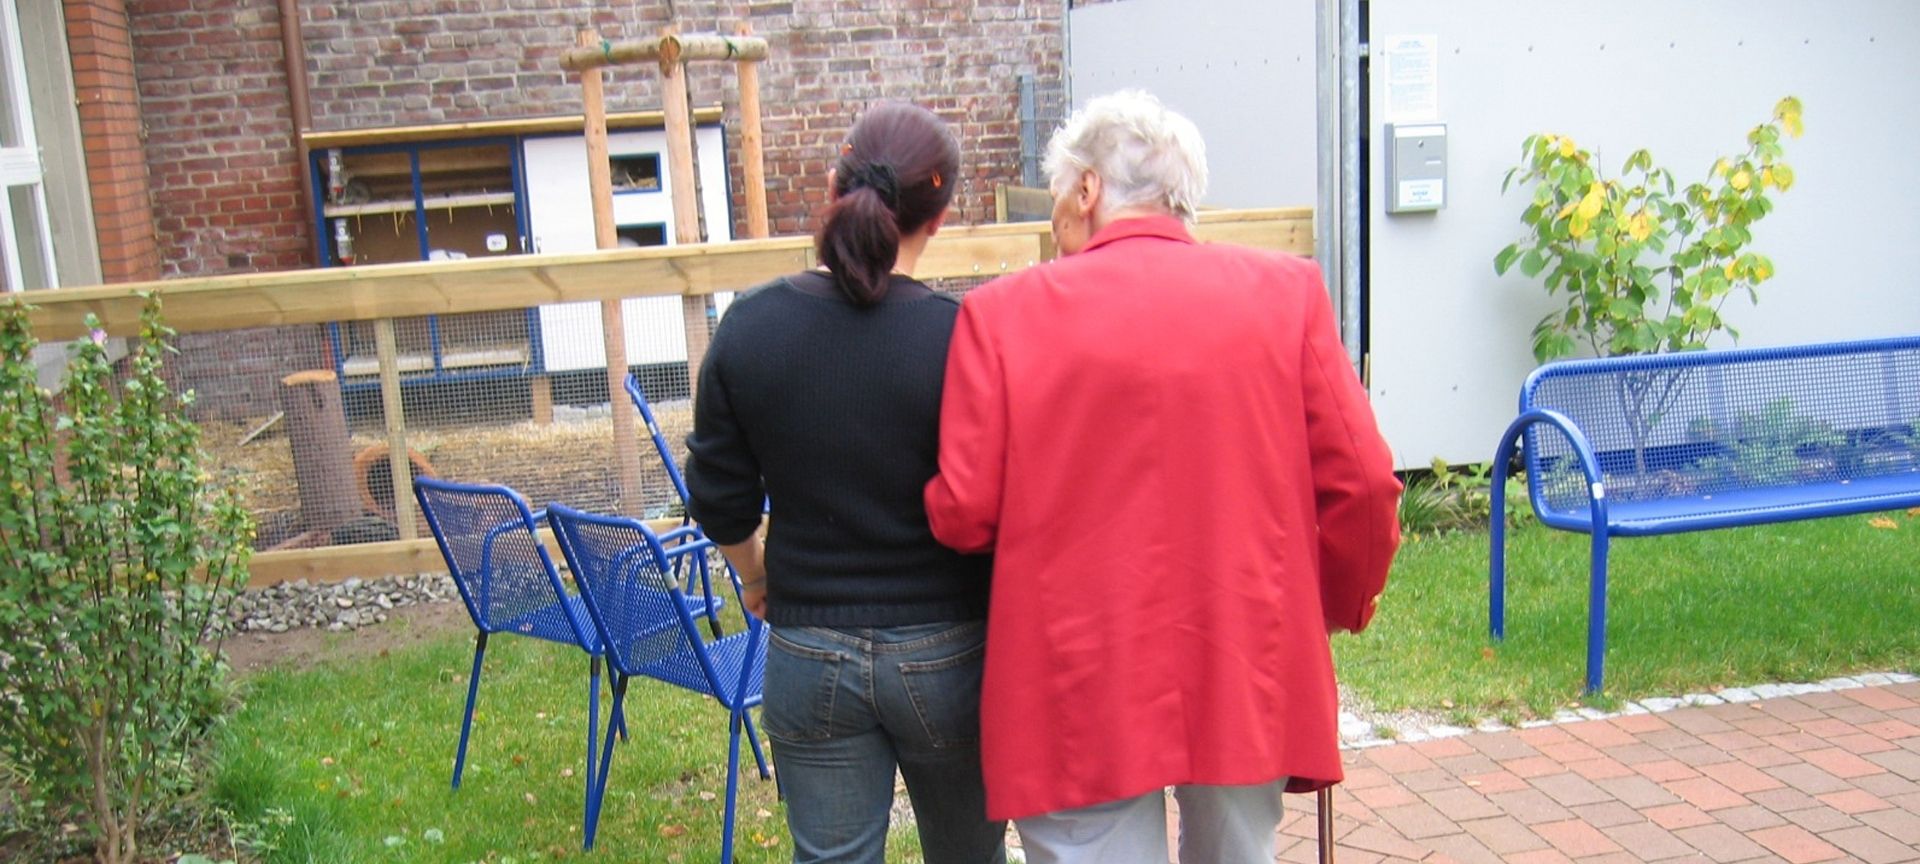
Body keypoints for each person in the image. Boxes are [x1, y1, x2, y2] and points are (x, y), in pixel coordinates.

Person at [923, 90, 1402, 863]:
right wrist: (1339, 602)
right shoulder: (1287, 295)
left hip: (1077, 667)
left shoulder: (1002, 314)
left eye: (1058, 203)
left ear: (1088, 190)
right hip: (1247, 650)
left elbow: (967, 512)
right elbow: (1366, 482)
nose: (1056, 225)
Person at [684, 101, 1006, 864]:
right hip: (950, 654)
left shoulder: (751, 326)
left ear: (833, 184)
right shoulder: (961, 338)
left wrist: (756, 574)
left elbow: (719, 496)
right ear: (943, 213)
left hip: (809, 648)